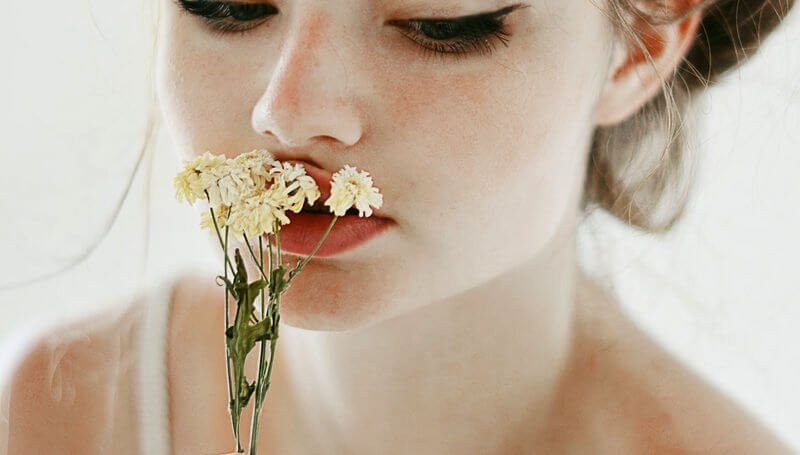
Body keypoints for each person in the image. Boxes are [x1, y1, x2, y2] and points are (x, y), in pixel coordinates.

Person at [1, 0, 796, 453]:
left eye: (439, 22)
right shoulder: (71, 410)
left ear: (641, 47)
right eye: (229, 3)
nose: (288, 108)